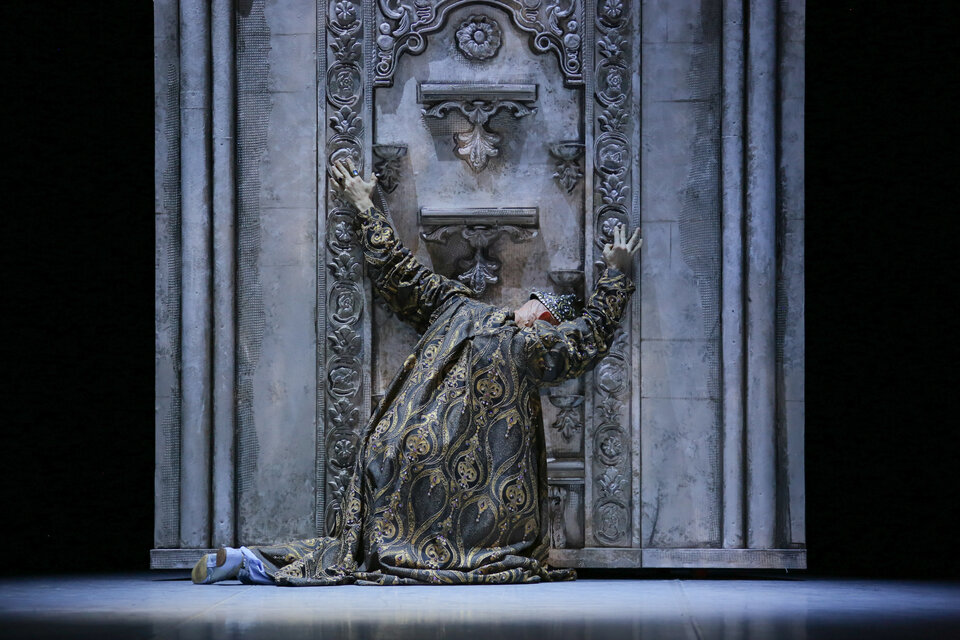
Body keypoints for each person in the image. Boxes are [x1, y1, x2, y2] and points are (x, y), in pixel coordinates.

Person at [192, 158, 641, 586]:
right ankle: (254, 562)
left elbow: (398, 272)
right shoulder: (517, 339)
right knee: (387, 553)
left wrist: (364, 206)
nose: (535, 311)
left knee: (356, 550)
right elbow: (589, 335)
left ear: (538, 314)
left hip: (394, 451)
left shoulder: (462, 310)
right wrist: (617, 276)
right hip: (456, 484)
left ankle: (251, 560)